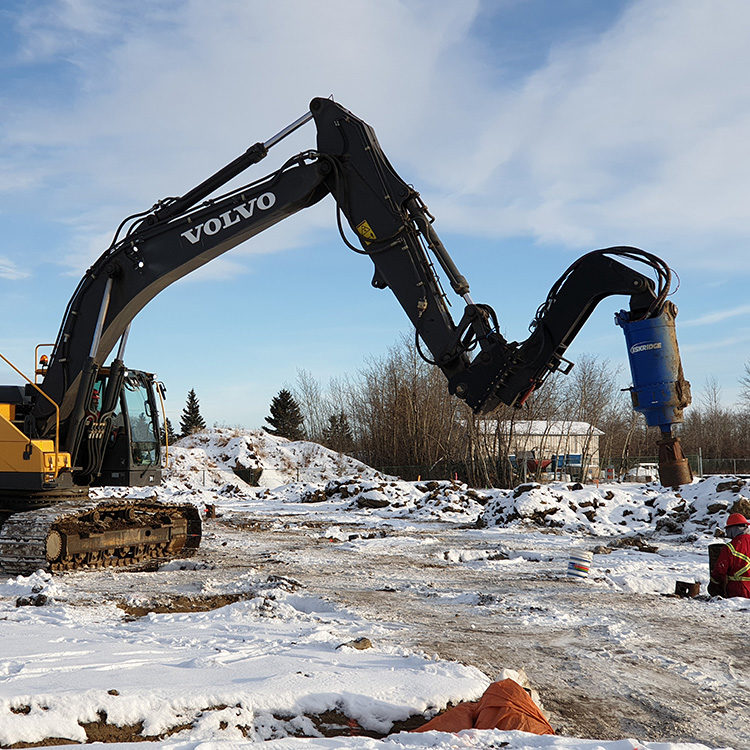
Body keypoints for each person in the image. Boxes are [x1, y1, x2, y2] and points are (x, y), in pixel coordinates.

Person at [710, 513, 750, 598]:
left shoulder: (730, 547)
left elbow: (720, 571)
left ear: (733, 529)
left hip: (738, 591)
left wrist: (713, 586)